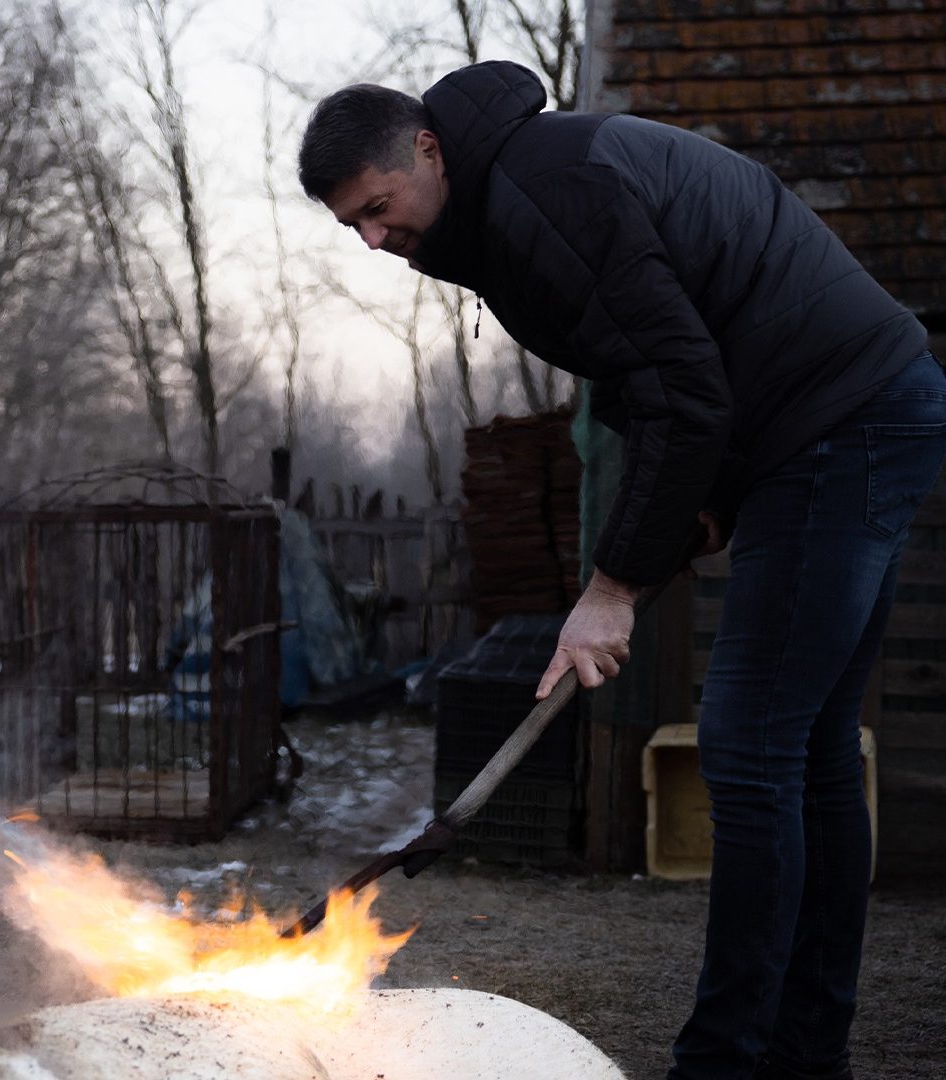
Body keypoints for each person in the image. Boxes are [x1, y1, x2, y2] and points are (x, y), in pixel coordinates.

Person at [297, 61, 942, 1080]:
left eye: (378, 209)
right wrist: (703, 510)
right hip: (850, 414)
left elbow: (684, 391)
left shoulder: (546, 195)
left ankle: (731, 1062)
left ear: (427, 149)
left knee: (751, 748)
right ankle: (805, 1056)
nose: (375, 241)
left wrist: (613, 589)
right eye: (354, 228)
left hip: (837, 421)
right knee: (808, 754)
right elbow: (660, 377)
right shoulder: (517, 197)